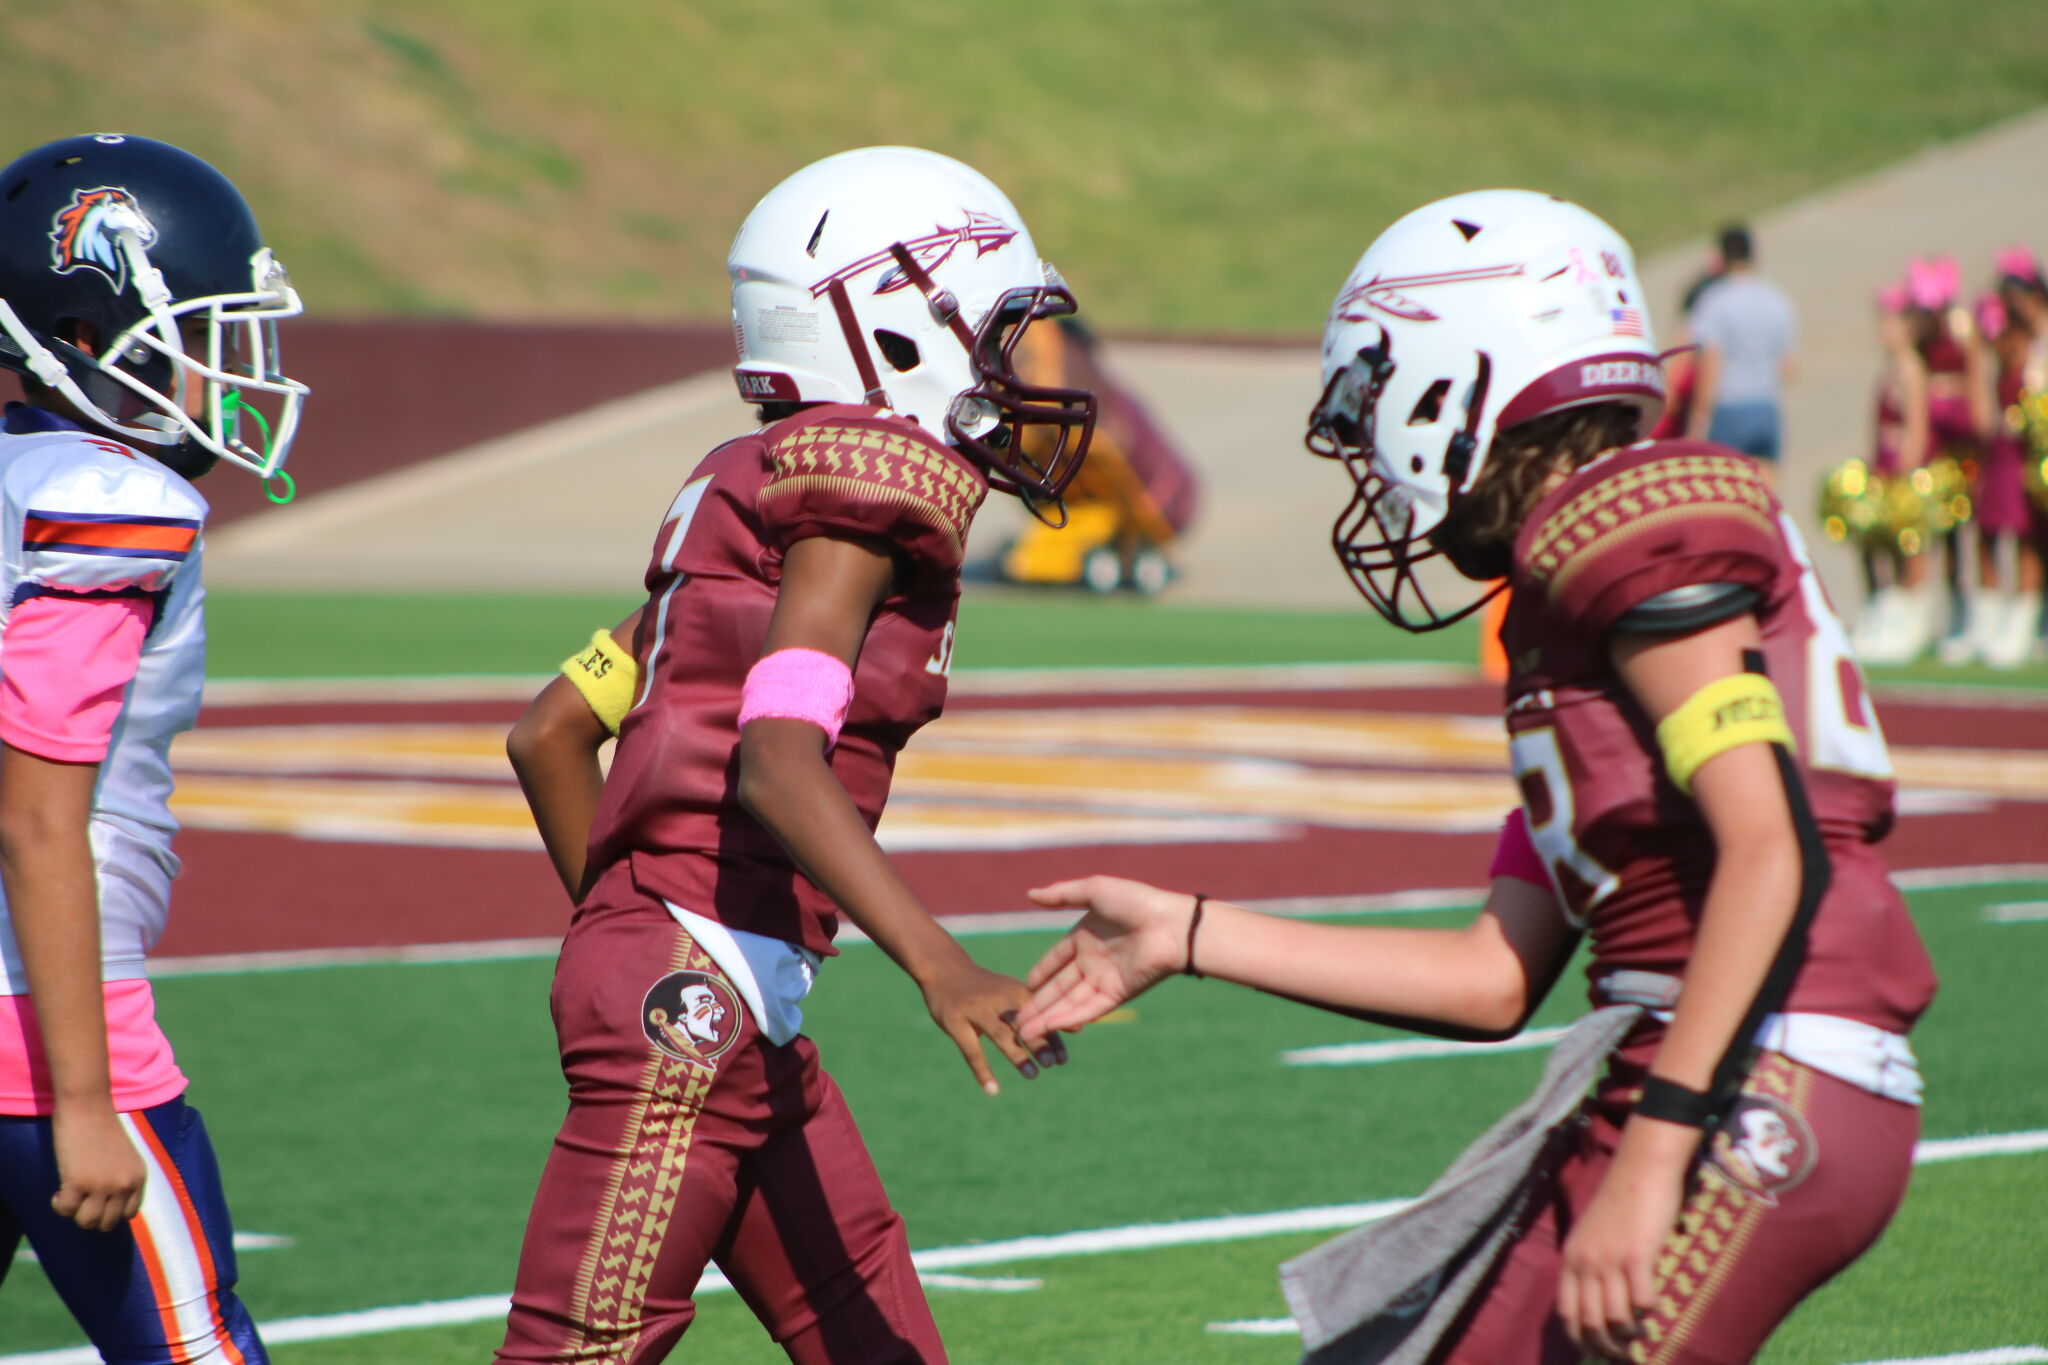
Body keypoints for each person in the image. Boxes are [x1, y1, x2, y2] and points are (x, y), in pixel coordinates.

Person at [1017, 190, 1935, 1364]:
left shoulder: (1623, 520)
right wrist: (1186, 934)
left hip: (1763, 1070)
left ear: (1454, 378)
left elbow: (1770, 848)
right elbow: (1491, 979)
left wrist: (1658, 1151)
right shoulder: (1567, 602)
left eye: (1367, 405)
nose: (1363, 454)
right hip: (1694, 1060)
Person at [493, 146, 1091, 1365]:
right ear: (891, 327)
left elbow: (551, 729)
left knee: (873, 1337)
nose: (1017, 375)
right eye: (994, 334)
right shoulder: (855, 508)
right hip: (696, 1001)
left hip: (722, 996)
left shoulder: (751, 496)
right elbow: (775, 759)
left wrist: (627, 929)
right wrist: (939, 965)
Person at [0, 133, 307, 1363]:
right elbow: (34, 811)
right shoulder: (111, 501)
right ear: (80, 334)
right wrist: (87, 1099)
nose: (225, 365)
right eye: (200, 326)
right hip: (46, 1033)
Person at [1685, 224, 1796, 477]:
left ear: (1722, 257)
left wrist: (1698, 422)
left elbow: (1711, 365)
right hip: (1766, 407)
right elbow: (1788, 367)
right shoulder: (1777, 300)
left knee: (1728, 493)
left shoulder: (1714, 301)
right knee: (1767, 498)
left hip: (1729, 409)